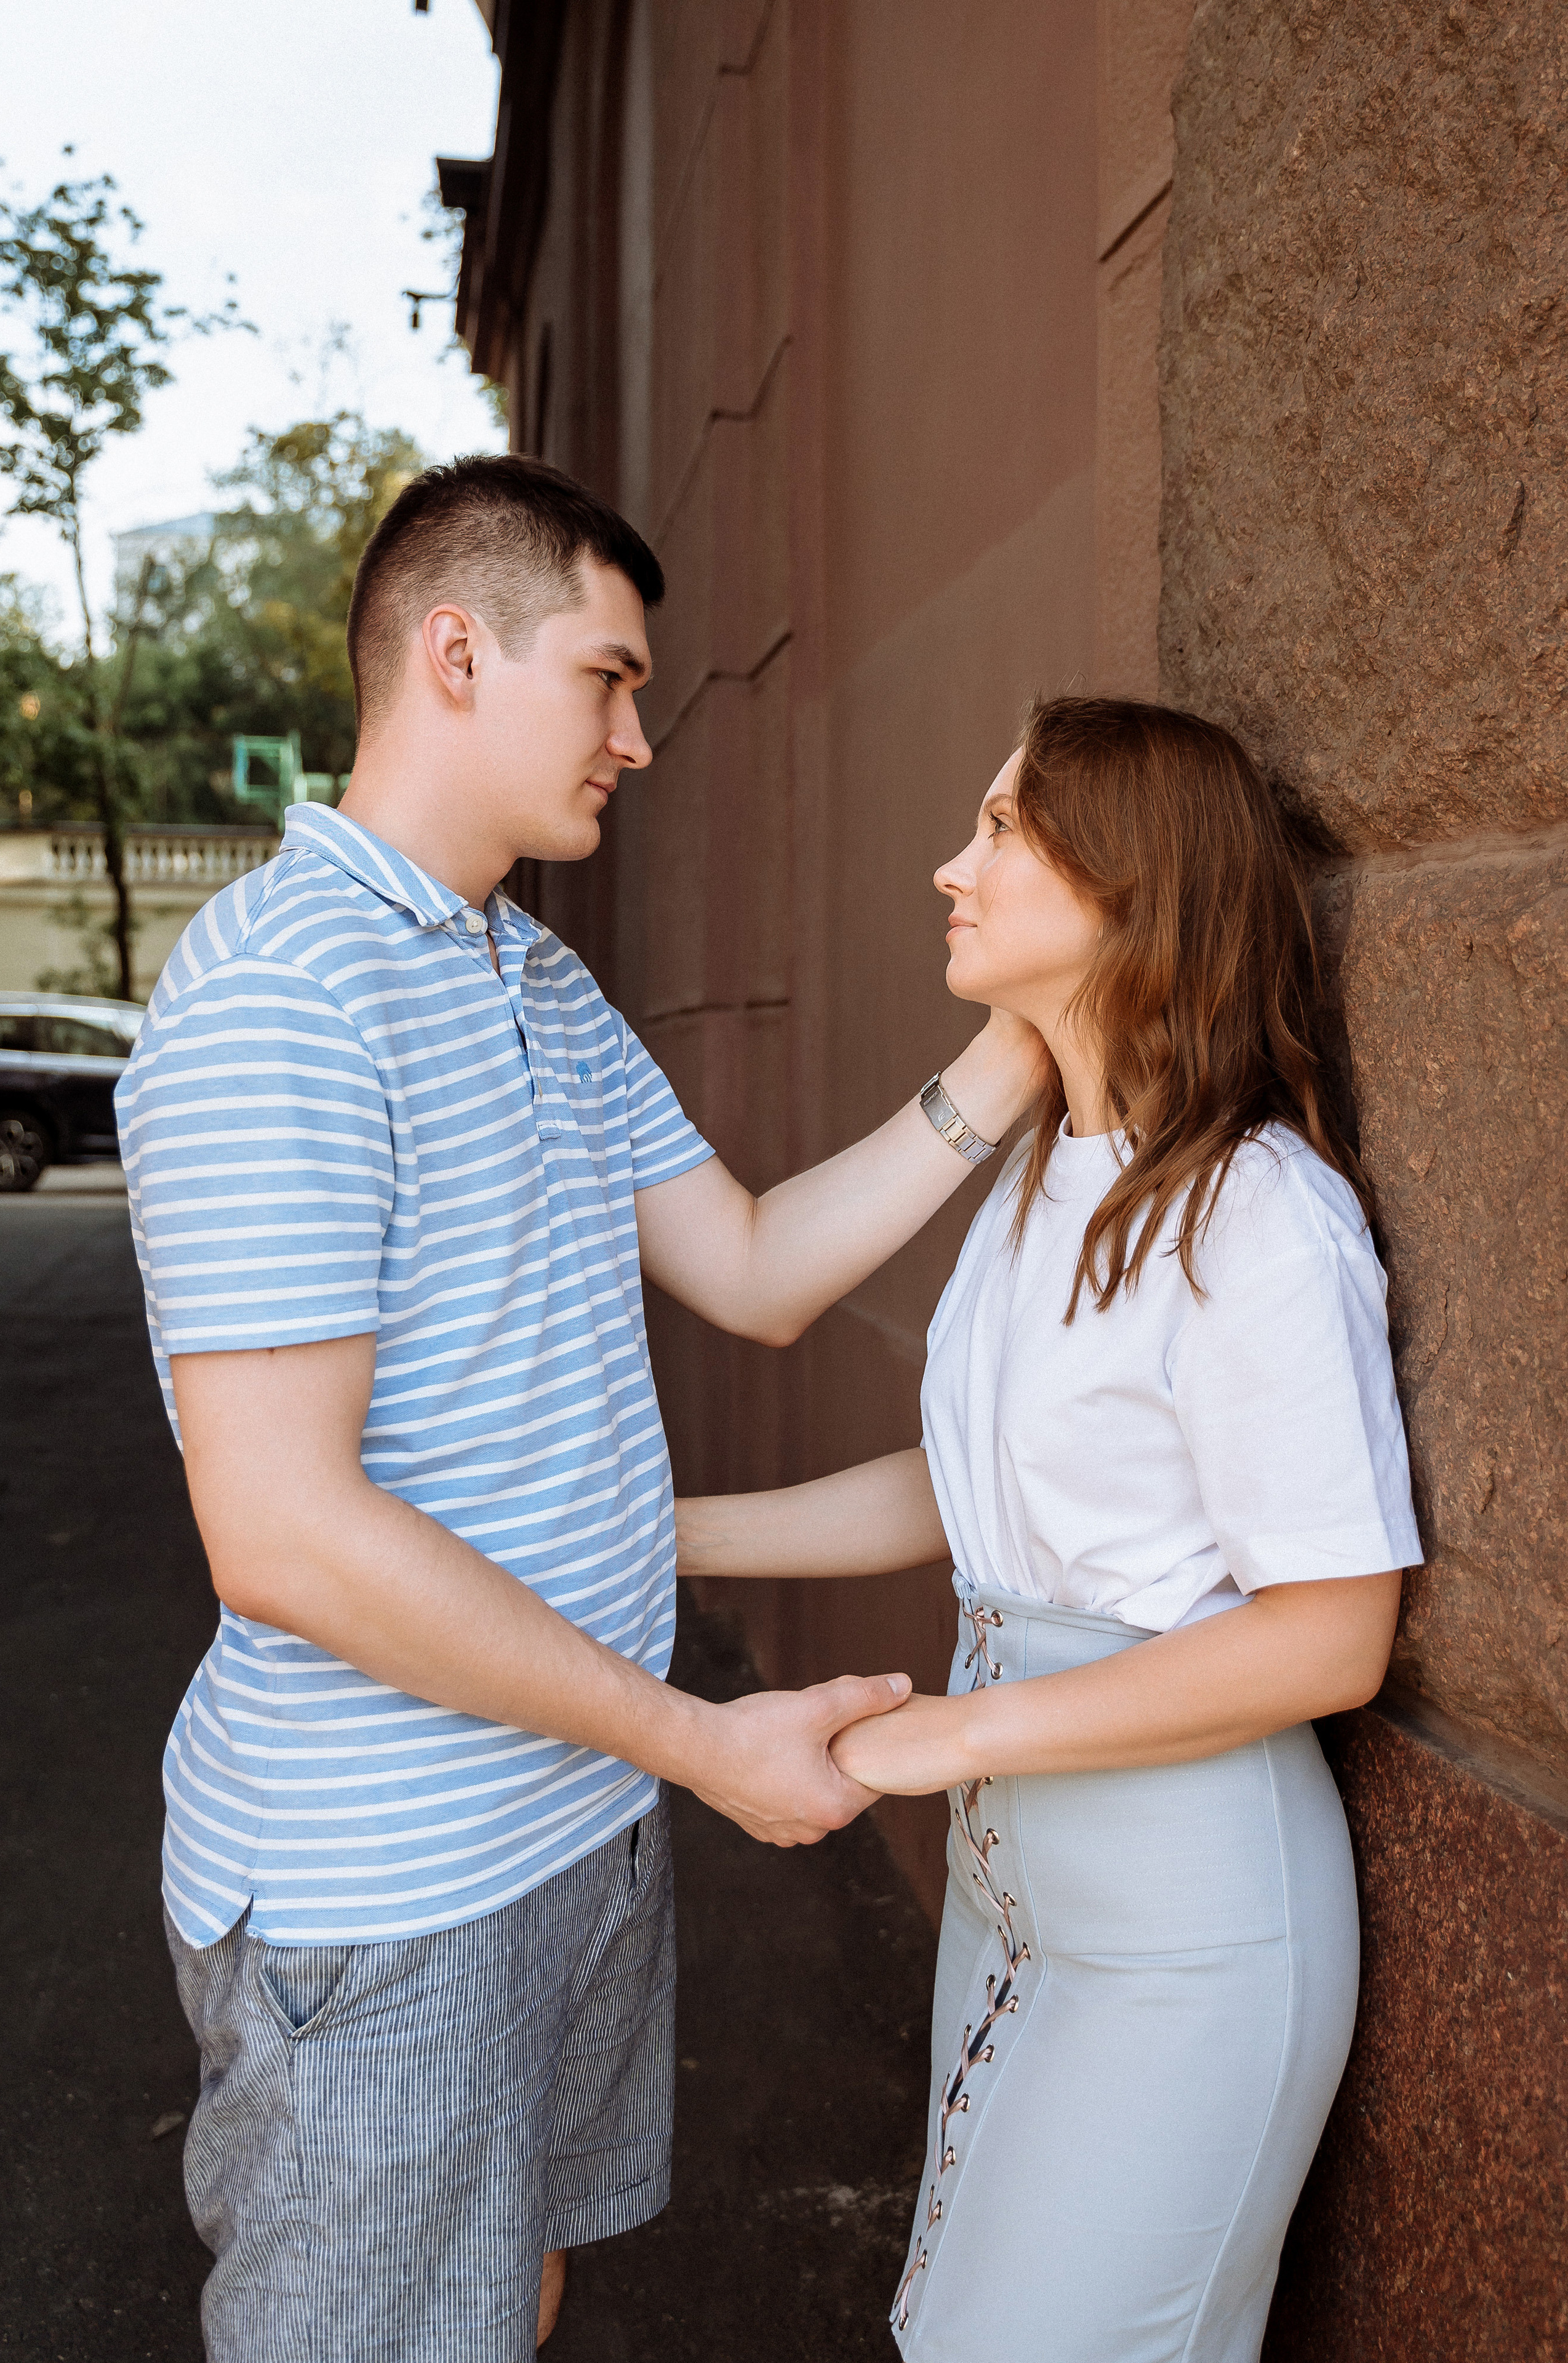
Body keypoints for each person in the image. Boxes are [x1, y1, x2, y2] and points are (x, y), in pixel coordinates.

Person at [114, 454, 1041, 2362]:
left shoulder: (532, 977)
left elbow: (766, 1268)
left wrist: (1020, 1051)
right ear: (456, 652)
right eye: (606, 680)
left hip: (569, 1830)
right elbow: (280, 1536)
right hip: (386, 1894)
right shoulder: (278, 996)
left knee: (516, 2293)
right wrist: (699, 1742)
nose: (638, 734)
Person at [676, 695, 1421, 2363]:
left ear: (1129, 884)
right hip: (1018, 1894)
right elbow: (984, 1494)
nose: (955, 865)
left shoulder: (1260, 1214)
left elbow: (1331, 1634)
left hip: (1189, 1924)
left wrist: (952, 1737)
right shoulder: (1040, 1180)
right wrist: (664, 1538)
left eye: (1004, 830)